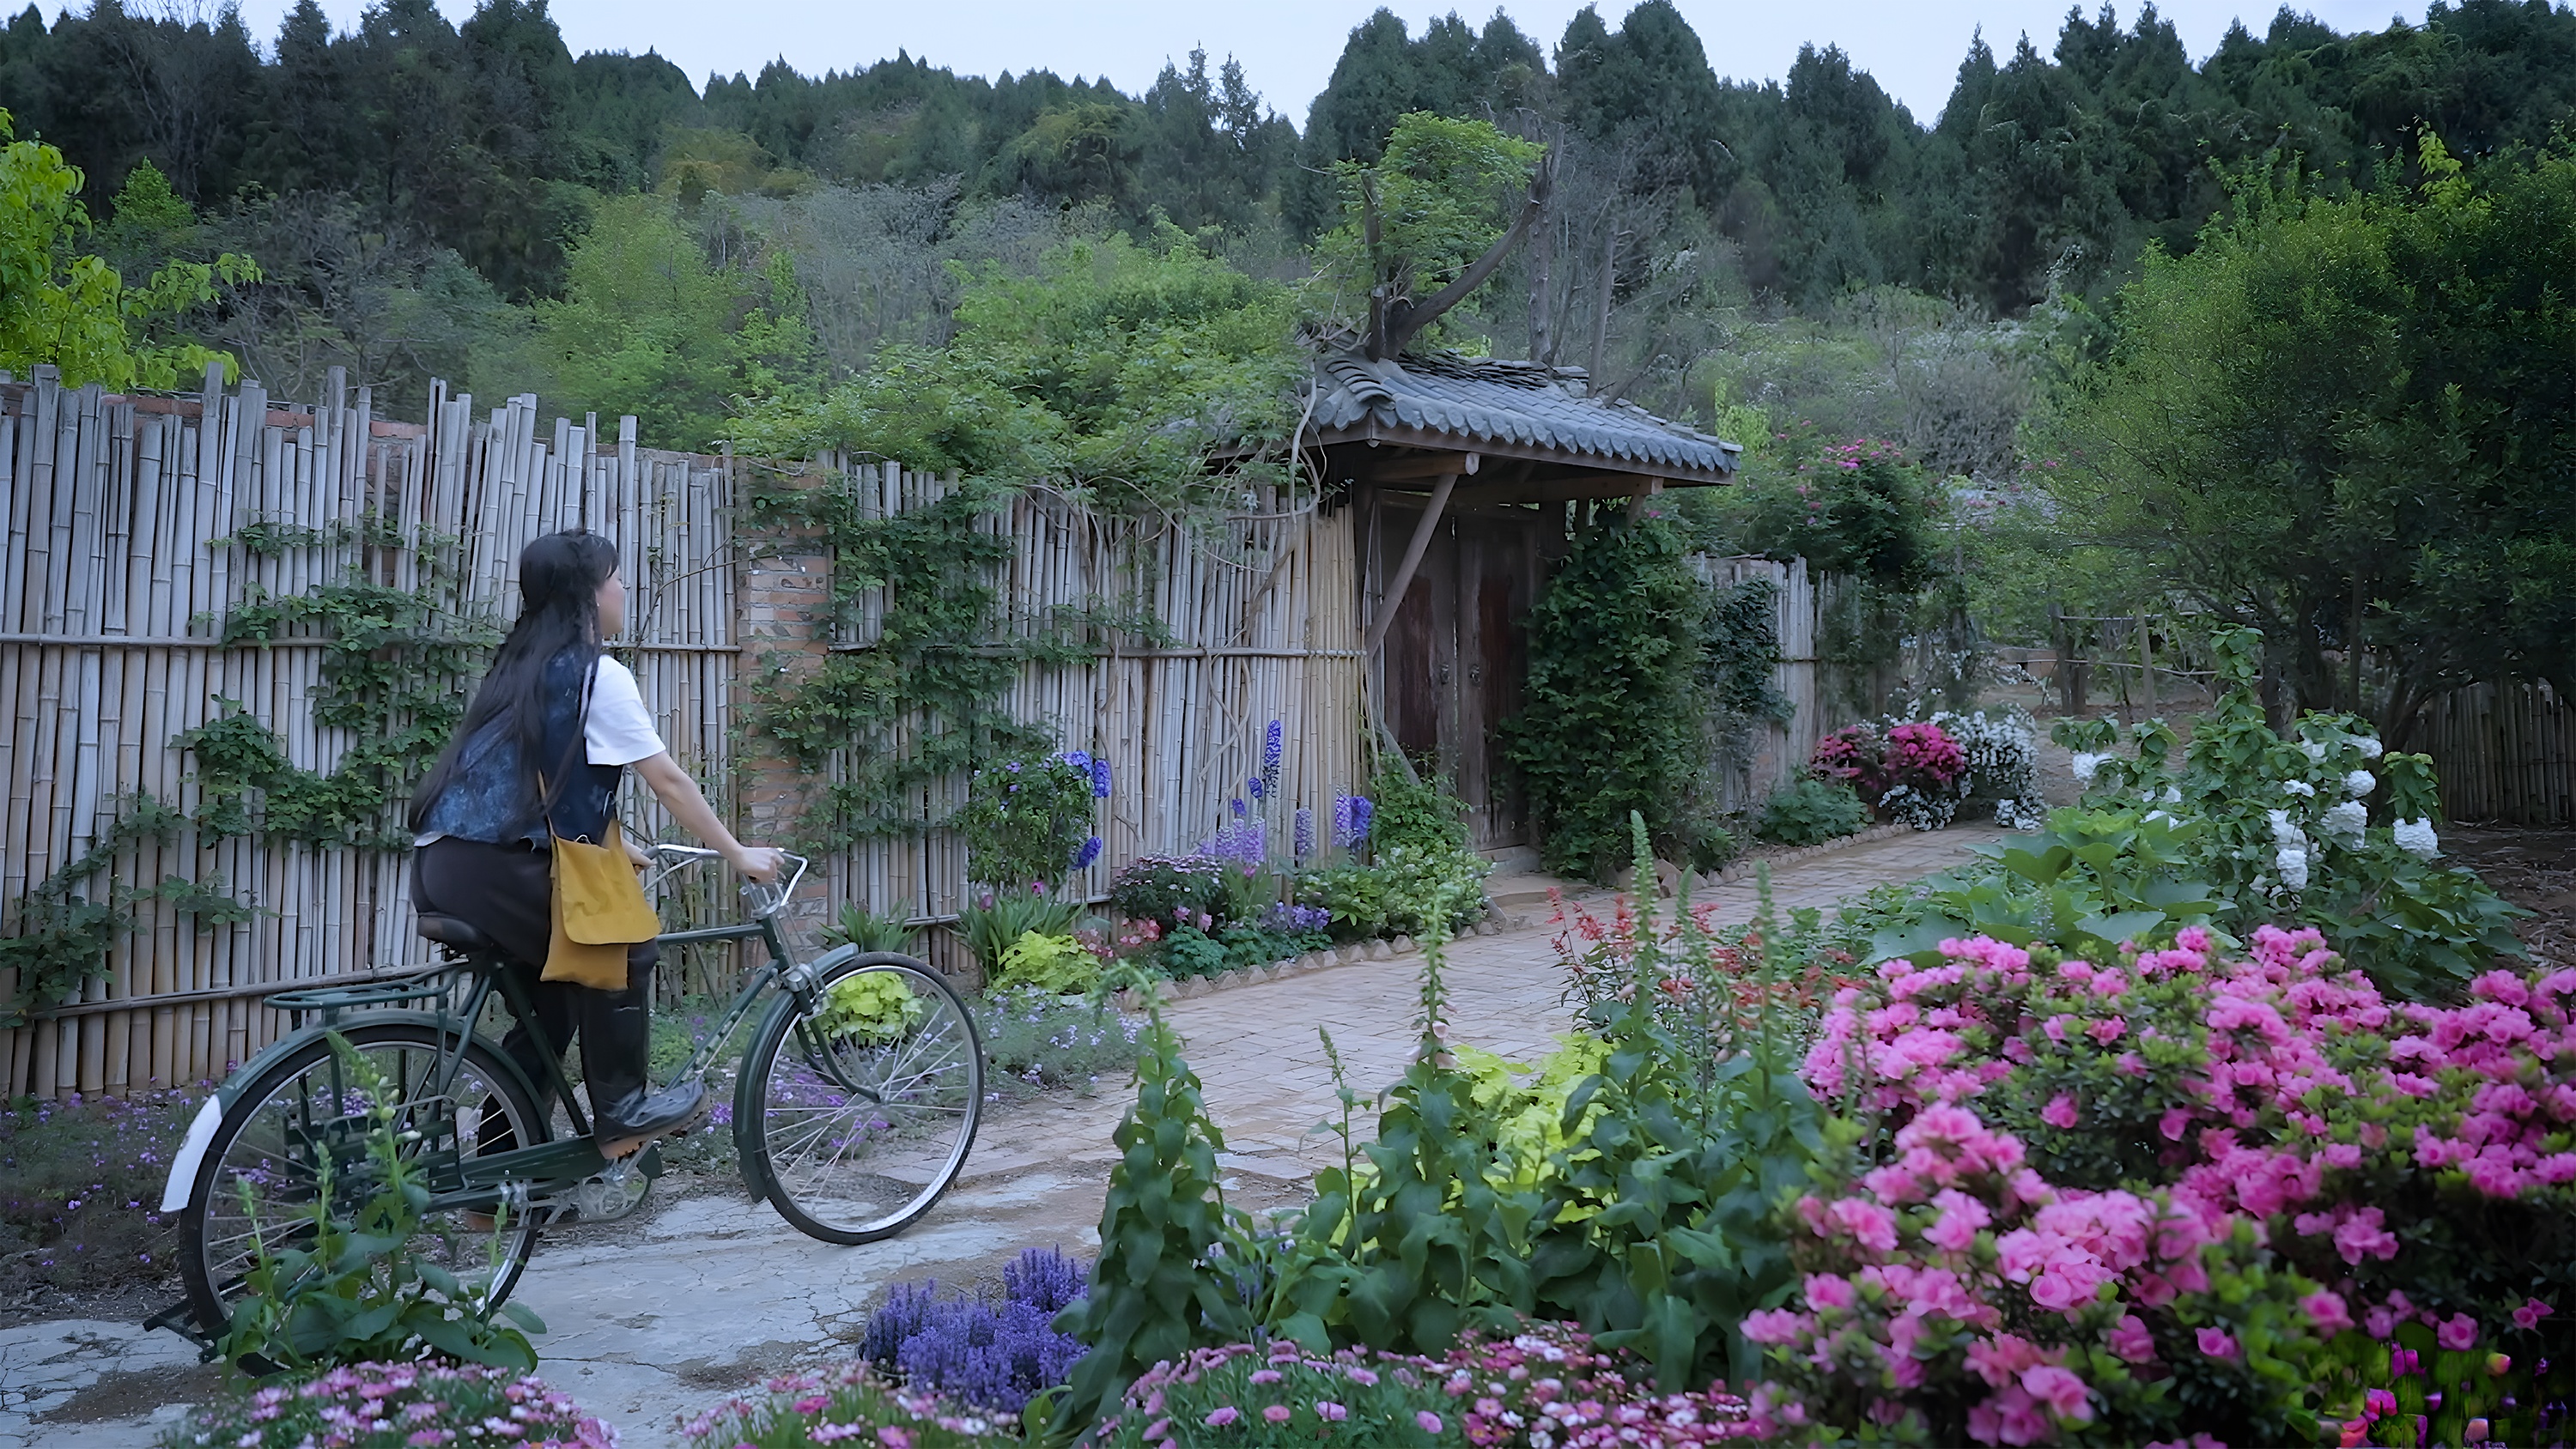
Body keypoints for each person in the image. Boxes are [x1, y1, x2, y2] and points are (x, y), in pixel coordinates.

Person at [410, 529, 783, 1157]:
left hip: (447, 863)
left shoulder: (518, 668)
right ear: (588, 595)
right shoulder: (596, 675)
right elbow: (665, 779)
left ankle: (504, 1181)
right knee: (626, 946)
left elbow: (536, 781)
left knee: (548, 1009)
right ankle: (624, 1113)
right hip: (500, 866)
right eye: (616, 578)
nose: (624, 589)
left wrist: (613, 843)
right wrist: (737, 852)